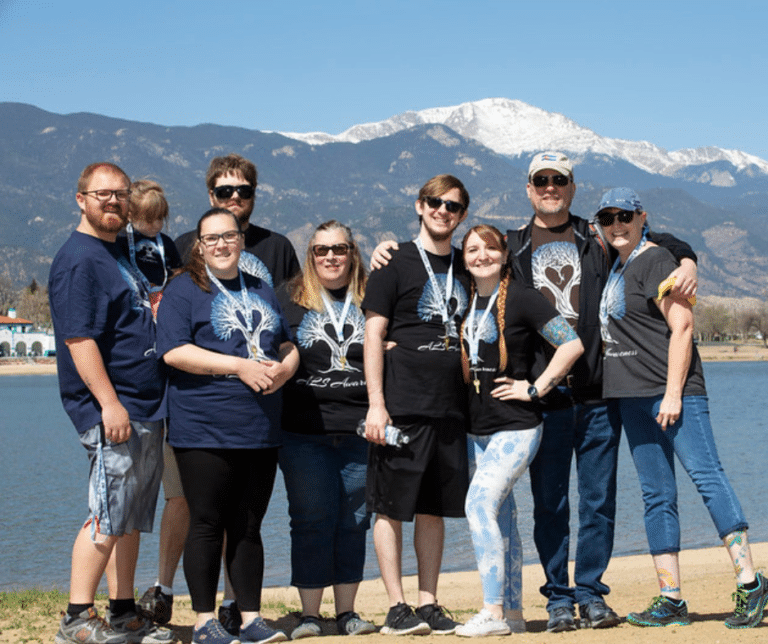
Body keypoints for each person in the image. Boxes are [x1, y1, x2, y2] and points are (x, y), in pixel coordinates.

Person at [503, 152, 699, 632]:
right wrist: (387, 251)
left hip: (596, 394)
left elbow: (654, 240)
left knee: (598, 502)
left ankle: (590, 593)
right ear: (529, 189)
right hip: (543, 396)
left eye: (559, 179)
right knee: (549, 503)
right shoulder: (511, 246)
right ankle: (558, 598)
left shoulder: (596, 238)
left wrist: (688, 258)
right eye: (541, 180)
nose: (550, 187)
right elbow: (461, 262)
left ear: (572, 188)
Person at [141, 153, 300, 632]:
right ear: (199, 245)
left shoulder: (260, 287)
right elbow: (173, 351)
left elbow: (285, 341)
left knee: (248, 527)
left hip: (258, 426)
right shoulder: (183, 289)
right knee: (207, 524)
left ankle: (249, 617)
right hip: (203, 427)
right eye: (212, 238)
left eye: (229, 236)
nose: (222, 244)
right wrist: (238, 366)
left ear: (241, 240)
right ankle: (205, 620)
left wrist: (287, 367)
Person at [597, 187, 768, 629]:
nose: (616, 224)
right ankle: (671, 599)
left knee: (707, 478)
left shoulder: (657, 260)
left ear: (642, 218)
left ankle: (751, 584)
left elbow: (684, 326)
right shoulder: (617, 264)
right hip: (632, 398)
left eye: (624, 216)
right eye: (607, 218)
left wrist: (673, 392)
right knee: (657, 495)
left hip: (672, 393)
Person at [48, 162, 173, 644]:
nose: (114, 202)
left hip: (145, 405)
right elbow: (78, 339)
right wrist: (108, 403)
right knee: (106, 513)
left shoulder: (117, 251)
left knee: (129, 517)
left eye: (121, 194)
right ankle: (77, 617)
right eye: (103, 195)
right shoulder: (79, 259)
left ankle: (122, 611)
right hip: (113, 410)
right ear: (81, 199)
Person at [454, 225, 584, 637]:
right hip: (477, 431)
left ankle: (491, 612)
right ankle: (512, 614)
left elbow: (571, 344)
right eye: (472, 250)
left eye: (490, 248)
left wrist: (535, 388)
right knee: (504, 521)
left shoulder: (524, 298)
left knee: (478, 507)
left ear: (505, 254)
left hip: (516, 427)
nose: (481, 255)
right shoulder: (466, 299)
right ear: (464, 259)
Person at [362, 174, 471, 636]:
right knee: (390, 507)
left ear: (462, 215)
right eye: (435, 202)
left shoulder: (468, 264)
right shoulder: (394, 262)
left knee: (434, 509)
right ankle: (396, 606)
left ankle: (428, 602)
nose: (443, 211)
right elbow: (373, 334)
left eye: (453, 206)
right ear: (419, 206)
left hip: (451, 408)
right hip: (402, 406)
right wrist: (376, 404)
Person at [277, 220, 376, 639]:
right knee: (311, 519)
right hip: (304, 433)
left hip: (361, 431)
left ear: (352, 253)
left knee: (355, 520)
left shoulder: (373, 297)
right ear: (311, 255)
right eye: (322, 250)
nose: (331, 257)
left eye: (339, 249)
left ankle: (347, 612)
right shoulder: (288, 299)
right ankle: (310, 615)